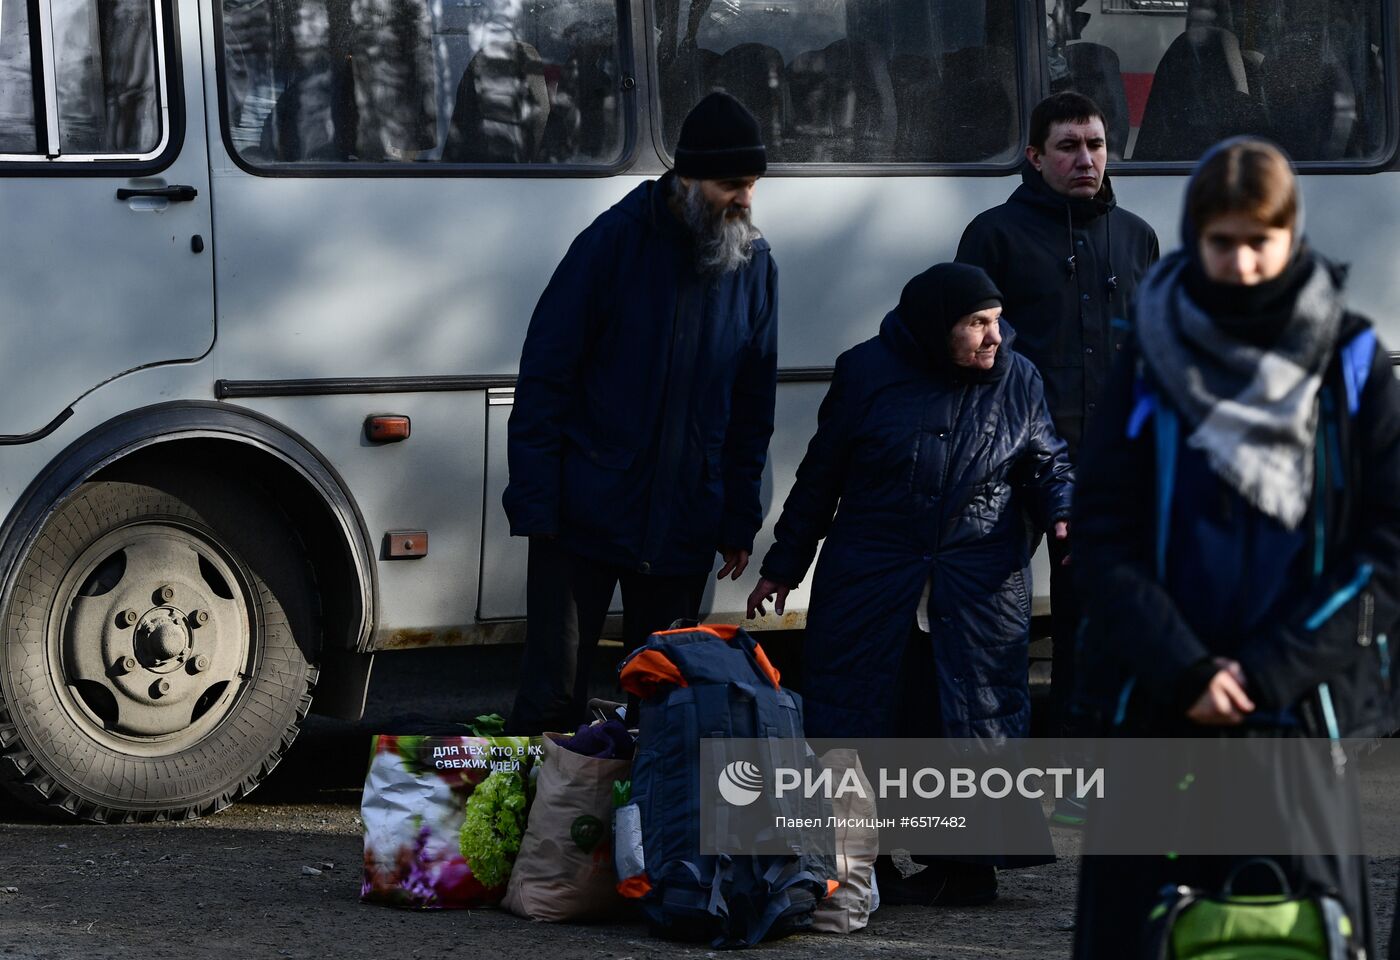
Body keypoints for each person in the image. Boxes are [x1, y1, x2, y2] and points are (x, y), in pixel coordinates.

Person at [1070, 138, 1400, 957]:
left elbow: (1385, 548)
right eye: (1223, 242)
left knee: (1283, 932)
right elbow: (1104, 529)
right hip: (1161, 705)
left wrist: (1266, 671)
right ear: (1196, 238)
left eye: (1261, 240)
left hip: (1293, 712)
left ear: (1292, 237)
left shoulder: (1352, 359)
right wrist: (1185, 668)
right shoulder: (1149, 356)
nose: (1244, 263)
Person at [746, 262, 1073, 905]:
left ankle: (967, 861)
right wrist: (783, 567)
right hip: (875, 577)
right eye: (976, 324)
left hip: (975, 585)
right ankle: (868, 856)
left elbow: (1047, 460)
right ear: (935, 327)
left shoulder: (1019, 378)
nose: (994, 338)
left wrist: (1065, 513)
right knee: (873, 717)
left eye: (997, 322)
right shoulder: (867, 371)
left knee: (963, 721)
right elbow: (822, 475)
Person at [502, 92, 778, 735]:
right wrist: (538, 506)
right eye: (731, 184)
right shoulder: (610, 244)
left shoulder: (754, 262)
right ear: (686, 179)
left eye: (752, 185)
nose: (745, 200)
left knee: (668, 701)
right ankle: (541, 835)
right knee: (552, 700)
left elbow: (752, 403)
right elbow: (545, 380)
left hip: (683, 520)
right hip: (583, 518)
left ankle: (649, 835)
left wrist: (740, 514)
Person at [956, 92, 1160, 816]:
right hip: (1010, 467)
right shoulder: (994, 236)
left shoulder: (1136, 239)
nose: (1086, 159)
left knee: (1092, 625)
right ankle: (994, 785)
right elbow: (969, 358)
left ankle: (1079, 782)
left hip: (1106, 471)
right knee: (994, 624)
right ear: (1036, 157)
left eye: (1097, 144)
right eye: (1069, 146)